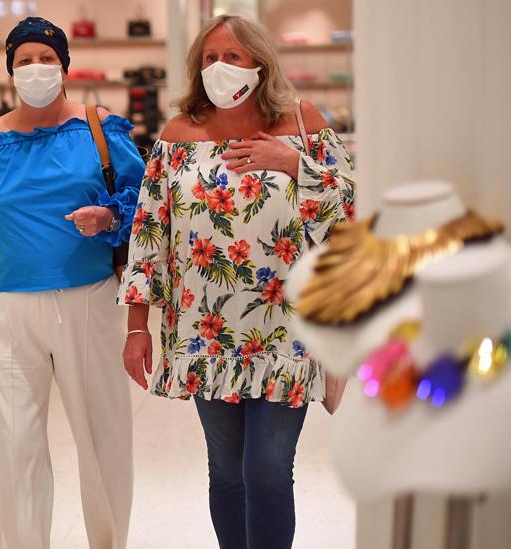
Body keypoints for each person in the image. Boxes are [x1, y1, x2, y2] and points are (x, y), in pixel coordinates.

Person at [121, 15, 356, 549]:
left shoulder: (302, 123)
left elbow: (350, 216)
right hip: (203, 334)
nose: (219, 68)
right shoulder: (179, 135)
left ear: (260, 63)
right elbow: (149, 233)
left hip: (287, 333)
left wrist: (295, 164)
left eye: (232, 56)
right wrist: (138, 327)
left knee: (267, 471)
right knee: (226, 472)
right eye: (209, 58)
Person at [0, 17, 145, 549]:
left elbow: (147, 201)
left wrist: (109, 216)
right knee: (17, 445)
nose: (36, 69)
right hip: (9, 309)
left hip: (88, 300)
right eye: (24, 60)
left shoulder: (100, 128)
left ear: (64, 66)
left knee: (102, 440)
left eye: (45, 59)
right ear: (10, 70)